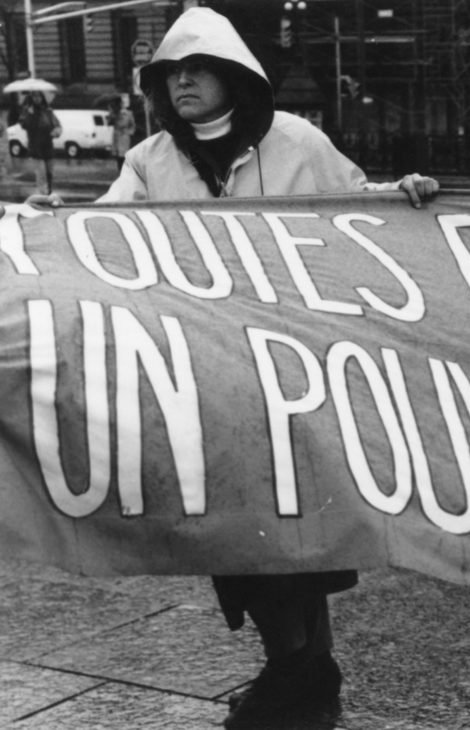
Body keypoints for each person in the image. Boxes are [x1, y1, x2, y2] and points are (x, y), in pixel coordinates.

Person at [90, 7, 438, 729]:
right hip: (206, 387)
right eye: (169, 74)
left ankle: (301, 680)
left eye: (196, 69)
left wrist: (403, 197)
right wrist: (38, 225)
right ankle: (303, 675)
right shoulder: (149, 161)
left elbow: (354, 210)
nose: (180, 83)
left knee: (297, 540)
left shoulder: (299, 143)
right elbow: (95, 240)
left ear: (233, 76)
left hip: (293, 383)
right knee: (237, 538)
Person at [19, 91, 60, 194]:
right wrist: (30, 114)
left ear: (42, 98)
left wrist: (56, 132)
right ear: (31, 98)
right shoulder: (27, 111)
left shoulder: (48, 111)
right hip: (35, 147)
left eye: (39, 96)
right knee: (41, 174)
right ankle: (43, 195)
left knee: (49, 173)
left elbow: (57, 125)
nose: (37, 99)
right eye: (34, 96)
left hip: (48, 146)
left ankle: (49, 193)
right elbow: (24, 125)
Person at [107, 94, 136, 171]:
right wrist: (112, 114)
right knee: (117, 155)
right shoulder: (114, 112)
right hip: (116, 135)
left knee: (124, 155)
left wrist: (130, 133)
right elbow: (109, 123)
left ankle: (124, 171)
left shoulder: (128, 113)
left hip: (124, 135)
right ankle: (120, 171)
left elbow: (132, 125)